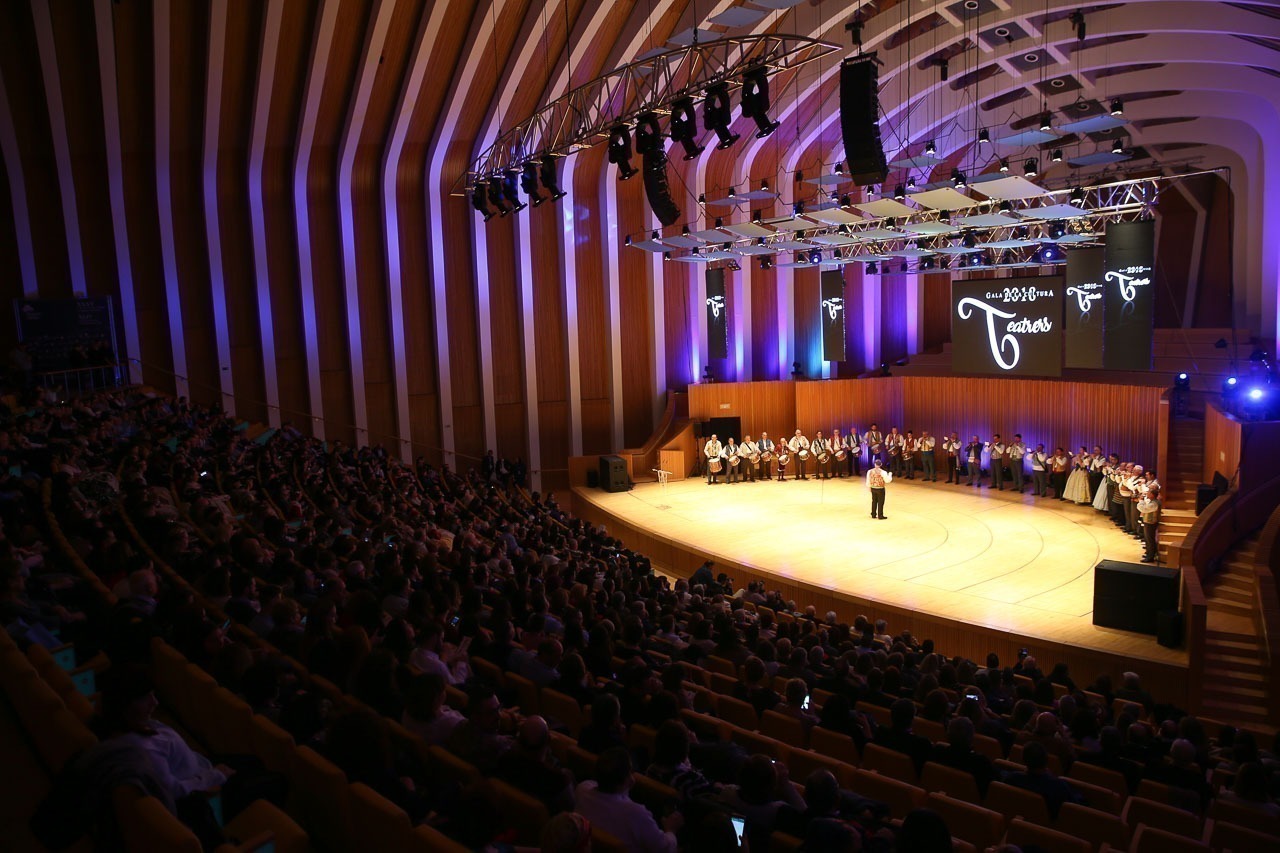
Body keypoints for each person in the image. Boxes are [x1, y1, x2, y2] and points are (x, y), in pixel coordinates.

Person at [575, 747, 680, 853]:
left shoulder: (582, 790)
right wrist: (671, 830)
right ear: (624, 781)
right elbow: (665, 849)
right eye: (629, 773)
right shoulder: (637, 814)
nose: (632, 778)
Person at [1138, 486, 1162, 562]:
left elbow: (1143, 509)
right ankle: (1149, 553)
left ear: (1152, 495)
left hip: (1151, 523)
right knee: (1148, 539)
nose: (1147, 494)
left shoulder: (1154, 504)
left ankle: (1150, 557)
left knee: (1150, 540)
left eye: (1148, 493)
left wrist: (1141, 501)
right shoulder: (1152, 502)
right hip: (1148, 522)